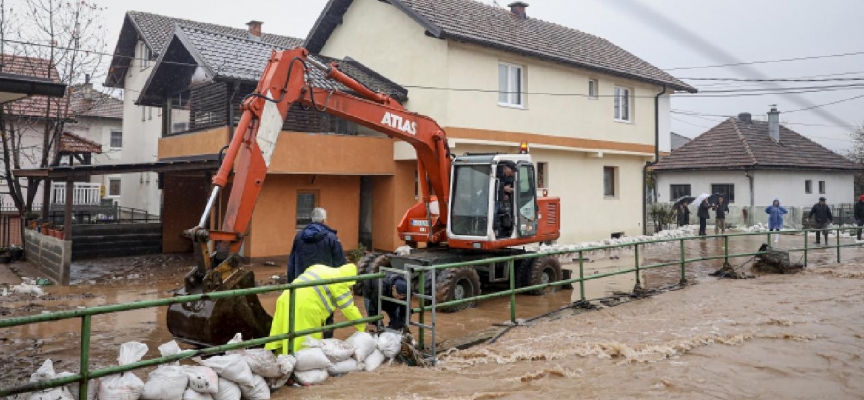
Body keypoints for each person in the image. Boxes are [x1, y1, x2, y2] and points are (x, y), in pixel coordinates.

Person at [266, 263, 365, 354]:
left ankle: (279, 362)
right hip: (305, 306)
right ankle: (295, 367)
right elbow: (349, 310)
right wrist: (363, 326)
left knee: (285, 332)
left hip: (286, 297)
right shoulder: (341, 282)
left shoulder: (320, 267)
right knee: (305, 342)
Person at [287, 207, 347, 338]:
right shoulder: (332, 238)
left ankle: (304, 347)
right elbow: (340, 263)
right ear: (323, 220)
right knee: (327, 317)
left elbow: (292, 261)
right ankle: (327, 344)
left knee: (304, 316)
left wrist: (290, 284)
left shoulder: (299, 237)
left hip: (303, 284)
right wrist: (343, 284)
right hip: (325, 284)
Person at [494, 161, 517, 237]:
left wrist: (506, 194)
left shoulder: (509, 177)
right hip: (493, 199)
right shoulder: (495, 172)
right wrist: (503, 189)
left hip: (501, 199)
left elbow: (508, 185)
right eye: (512, 171)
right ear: (506, 168)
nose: (512, 173)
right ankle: (494, 230)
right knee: (494, 213)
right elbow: (491, 185)